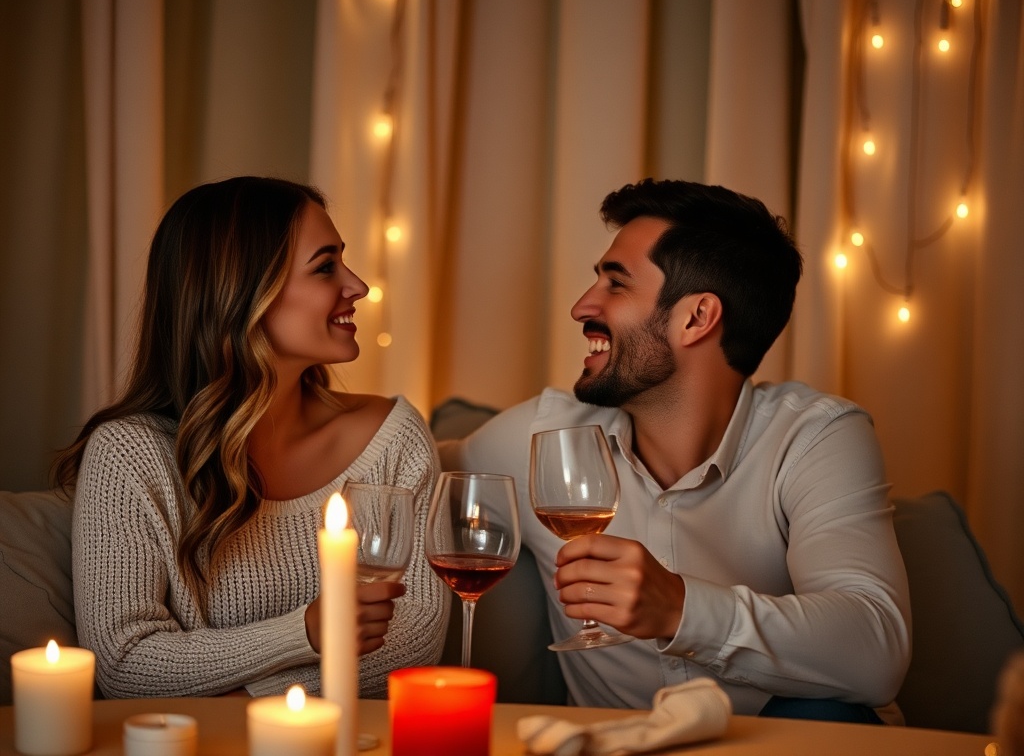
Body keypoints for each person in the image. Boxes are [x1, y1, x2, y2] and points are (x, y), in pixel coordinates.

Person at [439, 178, 911, 722]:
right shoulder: (542, 437)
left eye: (615, 285)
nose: (579, 307)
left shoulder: (815, 437)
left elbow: (875, 651)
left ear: (696, 318)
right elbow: (402, 468)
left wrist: (681, 608)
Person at [54, 176, 448, 699]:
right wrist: (304, 634)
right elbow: (125, 665)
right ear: (242, 293)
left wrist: (245, 700)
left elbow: (415, 637)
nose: (358, 286)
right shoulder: (129, 455)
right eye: (325, 266)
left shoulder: (393, 437)